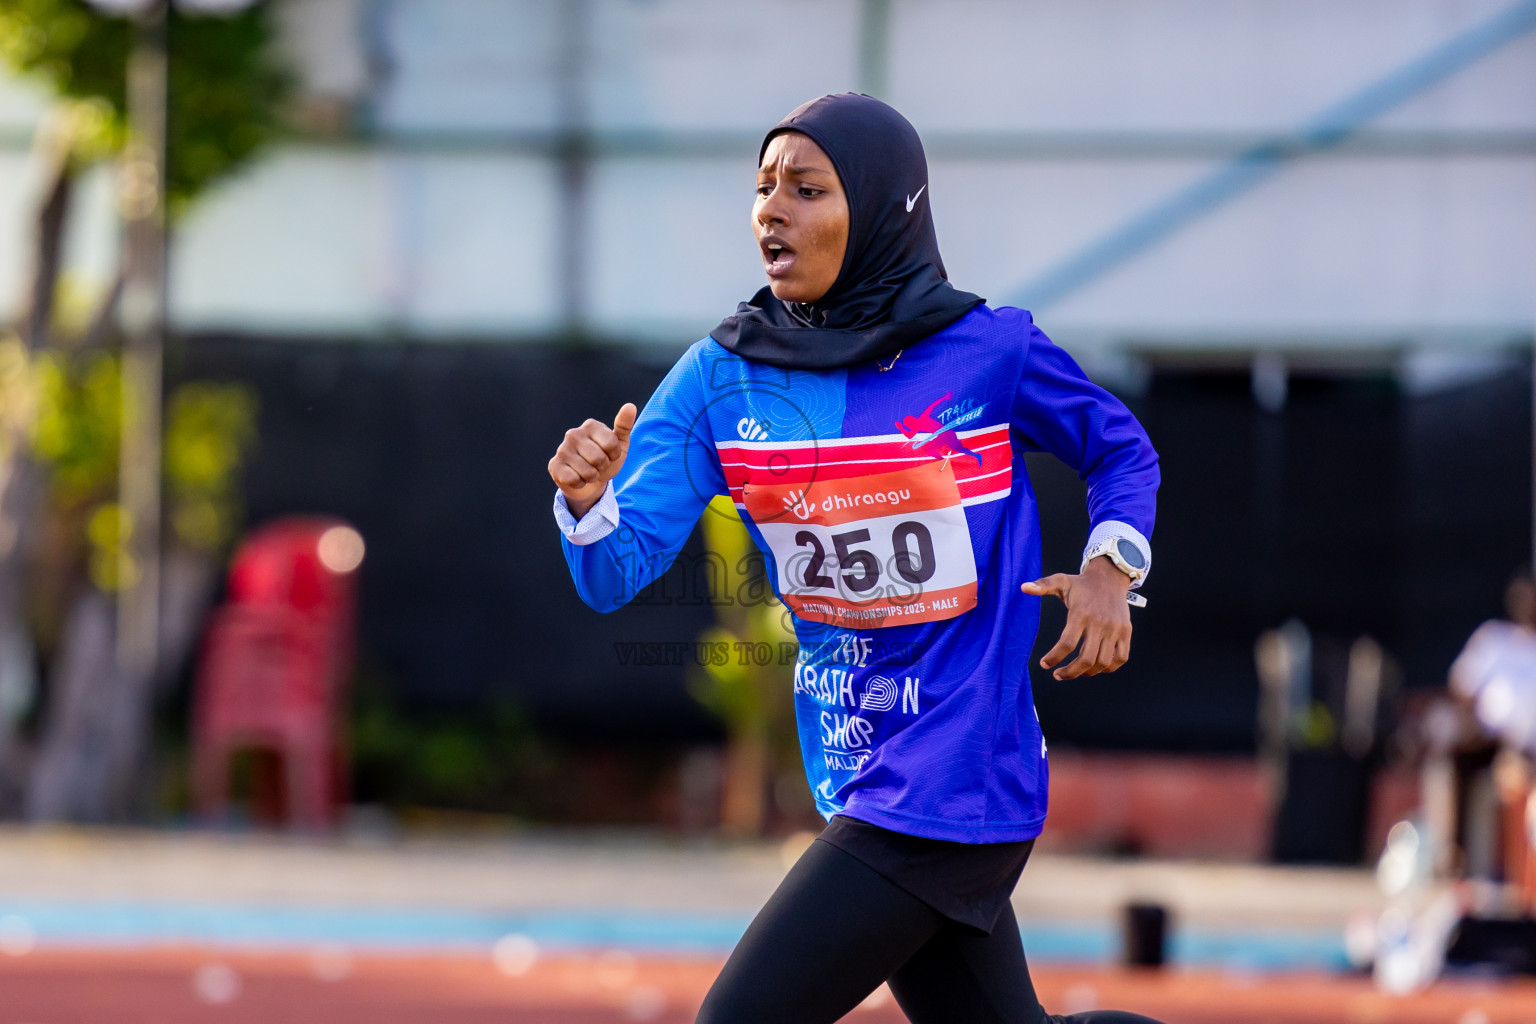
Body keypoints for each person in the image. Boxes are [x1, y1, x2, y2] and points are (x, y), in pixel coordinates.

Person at [548, 93, 1163, 1024]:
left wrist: (1112, 569)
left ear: (884, 209)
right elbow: (613, 572)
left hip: (961, 767)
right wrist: (588, 504)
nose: (772, 210)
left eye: (806, 188)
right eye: (762, 188)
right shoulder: (721, 377)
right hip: (859, 766)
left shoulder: (986, 350)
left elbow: (1120, 448)